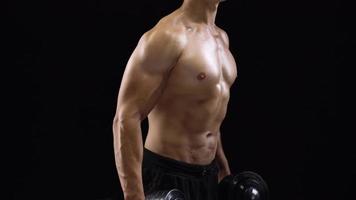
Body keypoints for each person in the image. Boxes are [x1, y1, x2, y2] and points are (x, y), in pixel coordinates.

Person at [112, 0, 237, 199]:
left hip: (208, 177)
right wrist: (134, 195)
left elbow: (208, 113)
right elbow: (126, 117)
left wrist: (223, 170)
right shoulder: (168, 36)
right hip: (167, 177)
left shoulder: (221, 38)